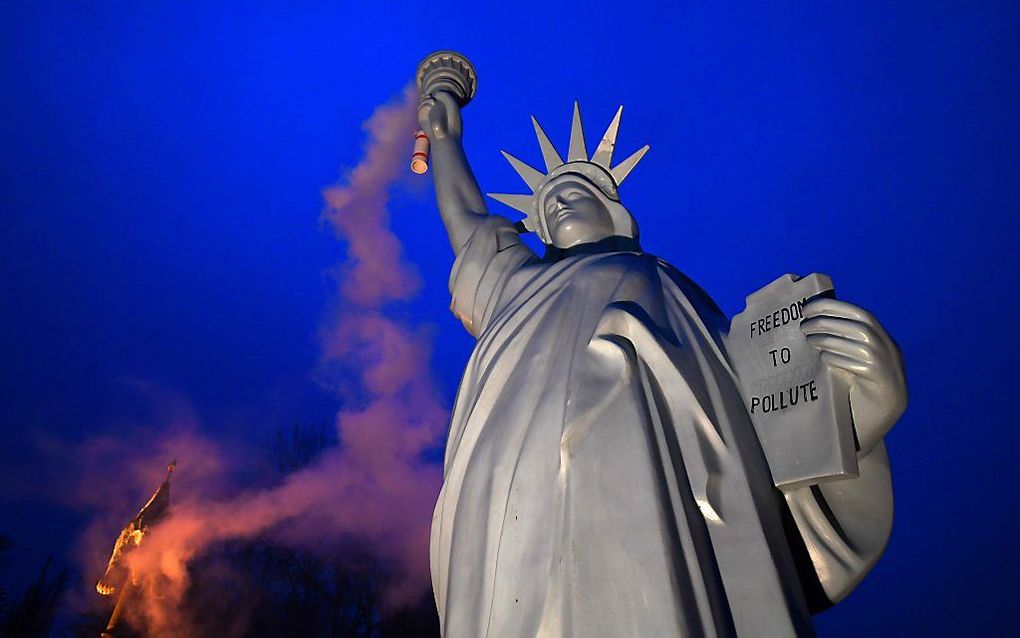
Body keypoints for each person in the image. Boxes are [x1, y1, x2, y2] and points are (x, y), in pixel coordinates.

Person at [419, 90, 907, 638]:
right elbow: (465, 223)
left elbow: (772, 418)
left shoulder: (669, 287)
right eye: (547, 203)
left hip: (655, 483)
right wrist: (443, 139)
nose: (556, 203)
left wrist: (860, 408)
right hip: (510, 484)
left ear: (614, 212)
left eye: (573, 191)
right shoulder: (518, 285)